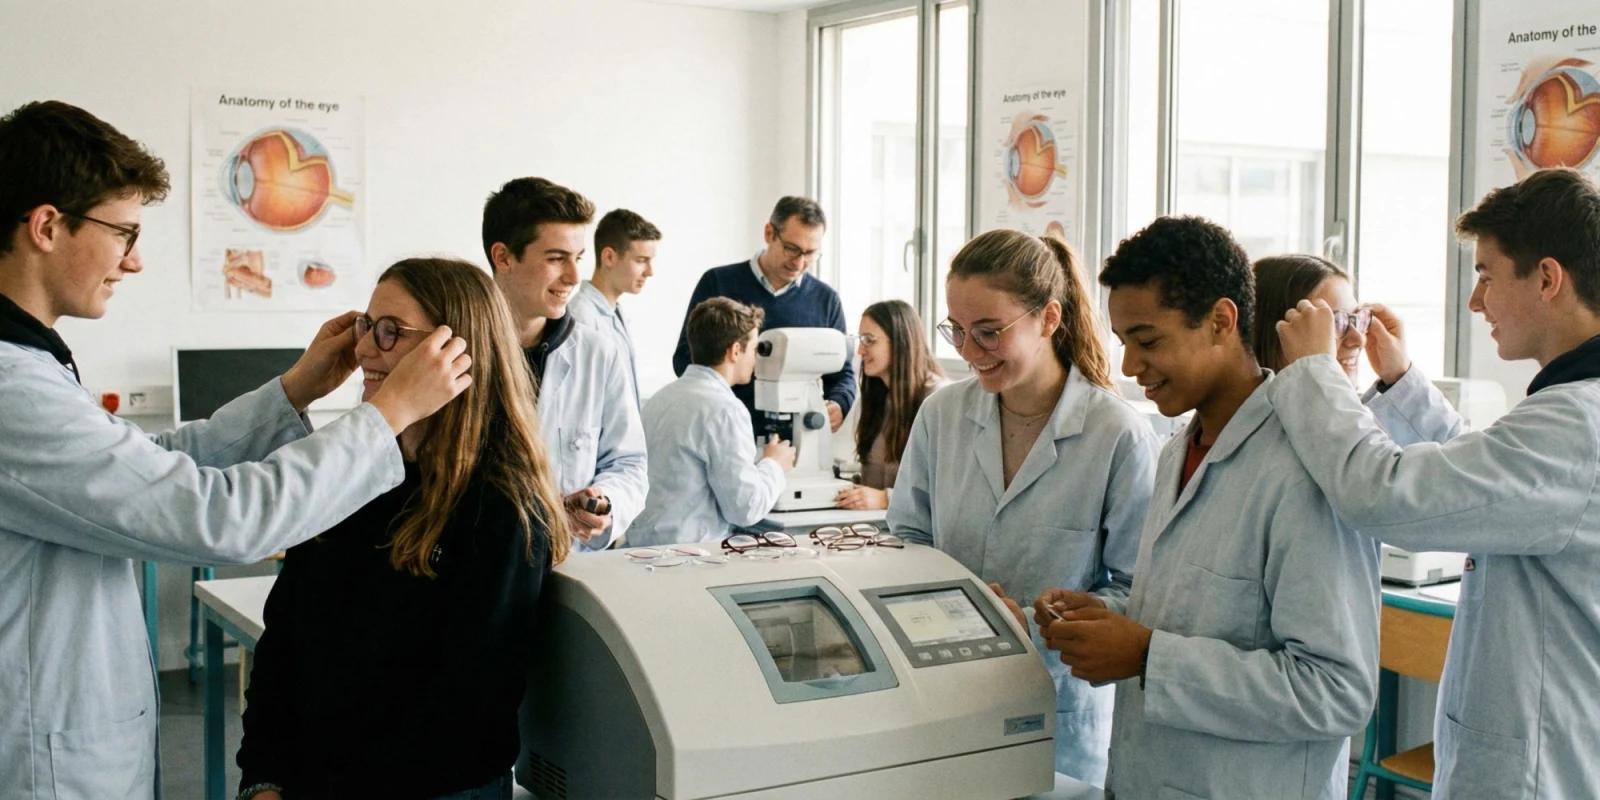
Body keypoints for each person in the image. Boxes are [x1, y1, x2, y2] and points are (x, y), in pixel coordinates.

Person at [0, 101, 470, 799]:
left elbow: (148, 461)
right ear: (46, 226)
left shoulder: (34, 367)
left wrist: (294, 391)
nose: (134, 260)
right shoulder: (14, 390)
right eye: (124, 233)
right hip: (46, 760)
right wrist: (385, 414)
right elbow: (217, 518)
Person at [1273, 167, 1600, 797]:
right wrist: (1400, 382)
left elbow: (1385, 493)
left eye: (1485, 276)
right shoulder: (1568, 412)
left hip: (1542, 770)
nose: (1476, 303)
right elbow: (1489, 480)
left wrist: (1314, 373)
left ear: (1548, 278)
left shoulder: (1575, 425)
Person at [1034, 216, 1379, 798]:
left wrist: (1147, 656)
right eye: (1123, 344)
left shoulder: (1305, 469)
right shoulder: (1177, 453)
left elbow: (1336, 692)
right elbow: (1191, 620)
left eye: (1148, 341)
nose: (1128, 366)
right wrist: (1103, 621)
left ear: (1222, 320)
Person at [236, 258, 567, 800]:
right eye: (365, 326)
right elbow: (285, 644)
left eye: (390, 332)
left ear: (456, 352)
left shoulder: (500, 503)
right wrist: (264, 779)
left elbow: (463, 708)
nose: (364, 349)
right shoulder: (348, 475)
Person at [886, 229, 1159, 784]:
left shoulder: (1116, 433)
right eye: (956, 331)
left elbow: (1141, 589)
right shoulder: (942, 415)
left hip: (1059, 699)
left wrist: (1035, 622)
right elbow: (906, 540)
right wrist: (956, 611)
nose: (967, 352)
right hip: (943, 686)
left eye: (988, 333)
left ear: (1049, 319)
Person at [483, 177, 647, 550]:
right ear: (503, 257)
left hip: (565, 571)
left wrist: (604, 504)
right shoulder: (454, 351)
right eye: (556, 259)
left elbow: (630, 465)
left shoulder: (597, 354)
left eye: (578, 259)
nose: (574, 277)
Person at [670, 196, 854, 439]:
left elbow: (842, 373)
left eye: (810, 253)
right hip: (721, 432)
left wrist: (840, 403)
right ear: (769, 233)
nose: (799, 262)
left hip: (796, 444)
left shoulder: (826, 300)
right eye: (792, 249)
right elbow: (685, 360)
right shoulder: (717, 283)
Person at [629, 298, 797, 546]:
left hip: (641, 549)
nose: (755, 360)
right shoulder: (724, 410)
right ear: (735, 351)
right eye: (754, 350)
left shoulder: (659, 399)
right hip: (690, 558)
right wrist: (774, 464)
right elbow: (745, 509)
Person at [835, 299, 945, 511]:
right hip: (875, 528)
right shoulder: (874, 400)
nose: (860, 350)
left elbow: (946, 489)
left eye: (869, 340)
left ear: (900, 342)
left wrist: (886, 499)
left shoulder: (937, 400)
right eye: (860, 340)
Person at [566, 208, 660, 408]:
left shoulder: (616, 313)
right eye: (641, 260)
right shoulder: (581, 319)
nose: (650, 272)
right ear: (609, 257)